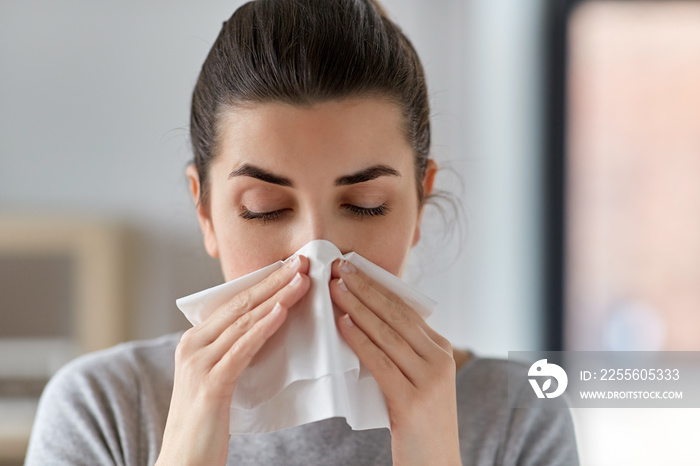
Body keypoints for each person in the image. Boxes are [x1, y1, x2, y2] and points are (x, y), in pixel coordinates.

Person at [25, 1, 579, 464]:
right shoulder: (104, 409)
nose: (317, 254)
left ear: (419, 200)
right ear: (205, 211)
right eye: (264, 208)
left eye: (366, 205)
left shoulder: (520, 412)